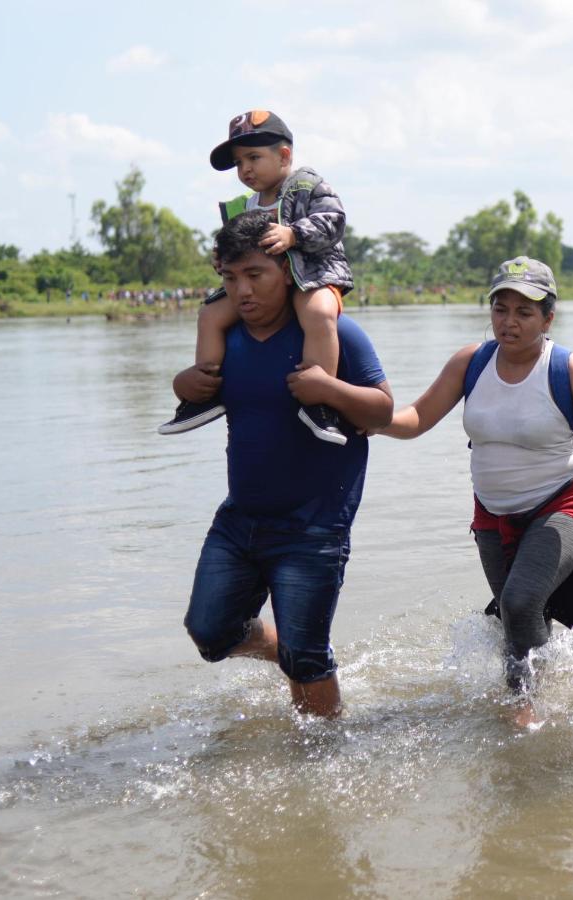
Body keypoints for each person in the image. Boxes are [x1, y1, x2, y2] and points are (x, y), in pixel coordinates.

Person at [377, 257, 573, 706]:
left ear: (548, 318)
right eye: (500, 309)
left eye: (524, 312)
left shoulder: (568, 370)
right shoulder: (471, 362)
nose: (509, 322)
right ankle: (545, 683)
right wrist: (366, 417)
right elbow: (415, 419)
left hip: (561, 506)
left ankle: (524, 707)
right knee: (521, 618)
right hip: (491, 515)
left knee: (518, 601)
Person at [174, 209, 393, 718]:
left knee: (309, 657)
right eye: (231, 278)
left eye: (256, 275)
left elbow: (381, 411)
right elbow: (197, 389)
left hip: (314, 526)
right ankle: (286, 653)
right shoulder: (225, 340)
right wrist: (183, 383)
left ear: (289, 270)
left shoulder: (335, 332)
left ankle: (321, 764)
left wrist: (329, 389)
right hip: (240, 521)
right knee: (209, 632)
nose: (242, 291)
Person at [160, 110, 355, 445]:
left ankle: (319, 400)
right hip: (263, 287)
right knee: (210, 314)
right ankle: (205, 390)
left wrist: (294, 234)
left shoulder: (307, 186)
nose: (245, 169)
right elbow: (237, 248)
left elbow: (334, 221)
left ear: (284, 155)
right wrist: (222, 258)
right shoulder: (245, 205)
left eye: (253, 157)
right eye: (238, 162)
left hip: (312, 276)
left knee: (319, 312)